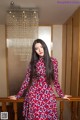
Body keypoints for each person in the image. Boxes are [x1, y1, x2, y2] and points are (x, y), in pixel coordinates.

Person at [9, 39, 71, 120]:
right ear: (34, 51)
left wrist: (61, 95)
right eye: (36, 48)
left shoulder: (53, 61)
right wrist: (18, 95)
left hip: (48, 95)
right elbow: (27, 80)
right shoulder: (33, 63)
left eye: (41, 47)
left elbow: (55, 80)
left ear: (45, 47)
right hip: (34, 95)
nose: (39, 50)